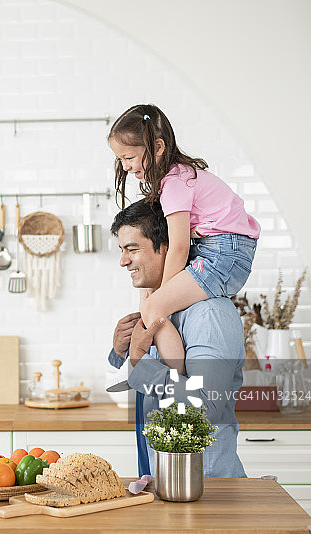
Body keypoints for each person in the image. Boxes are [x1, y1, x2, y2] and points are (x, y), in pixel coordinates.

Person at [108, 104, 260, 374]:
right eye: (121, 160)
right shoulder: (179, 177)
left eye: (129, 157)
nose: (126, 166)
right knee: (151, 302)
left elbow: (178, 247)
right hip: (225, 249)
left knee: (155, 306)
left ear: (157, 147)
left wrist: (162, 296)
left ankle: (177, 376)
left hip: (223, 252)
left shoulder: (174, 185)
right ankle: (163, 372)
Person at [108, 200, 246, 478]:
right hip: (165, 481)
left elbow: (205, 407)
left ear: (167, 249)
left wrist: (138, 357)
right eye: (122, 250)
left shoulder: (209, 315)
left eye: (132, 249)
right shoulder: (158, 309)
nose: (123, 261)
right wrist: (120, 351)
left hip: (207, 490)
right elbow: (141, 385)